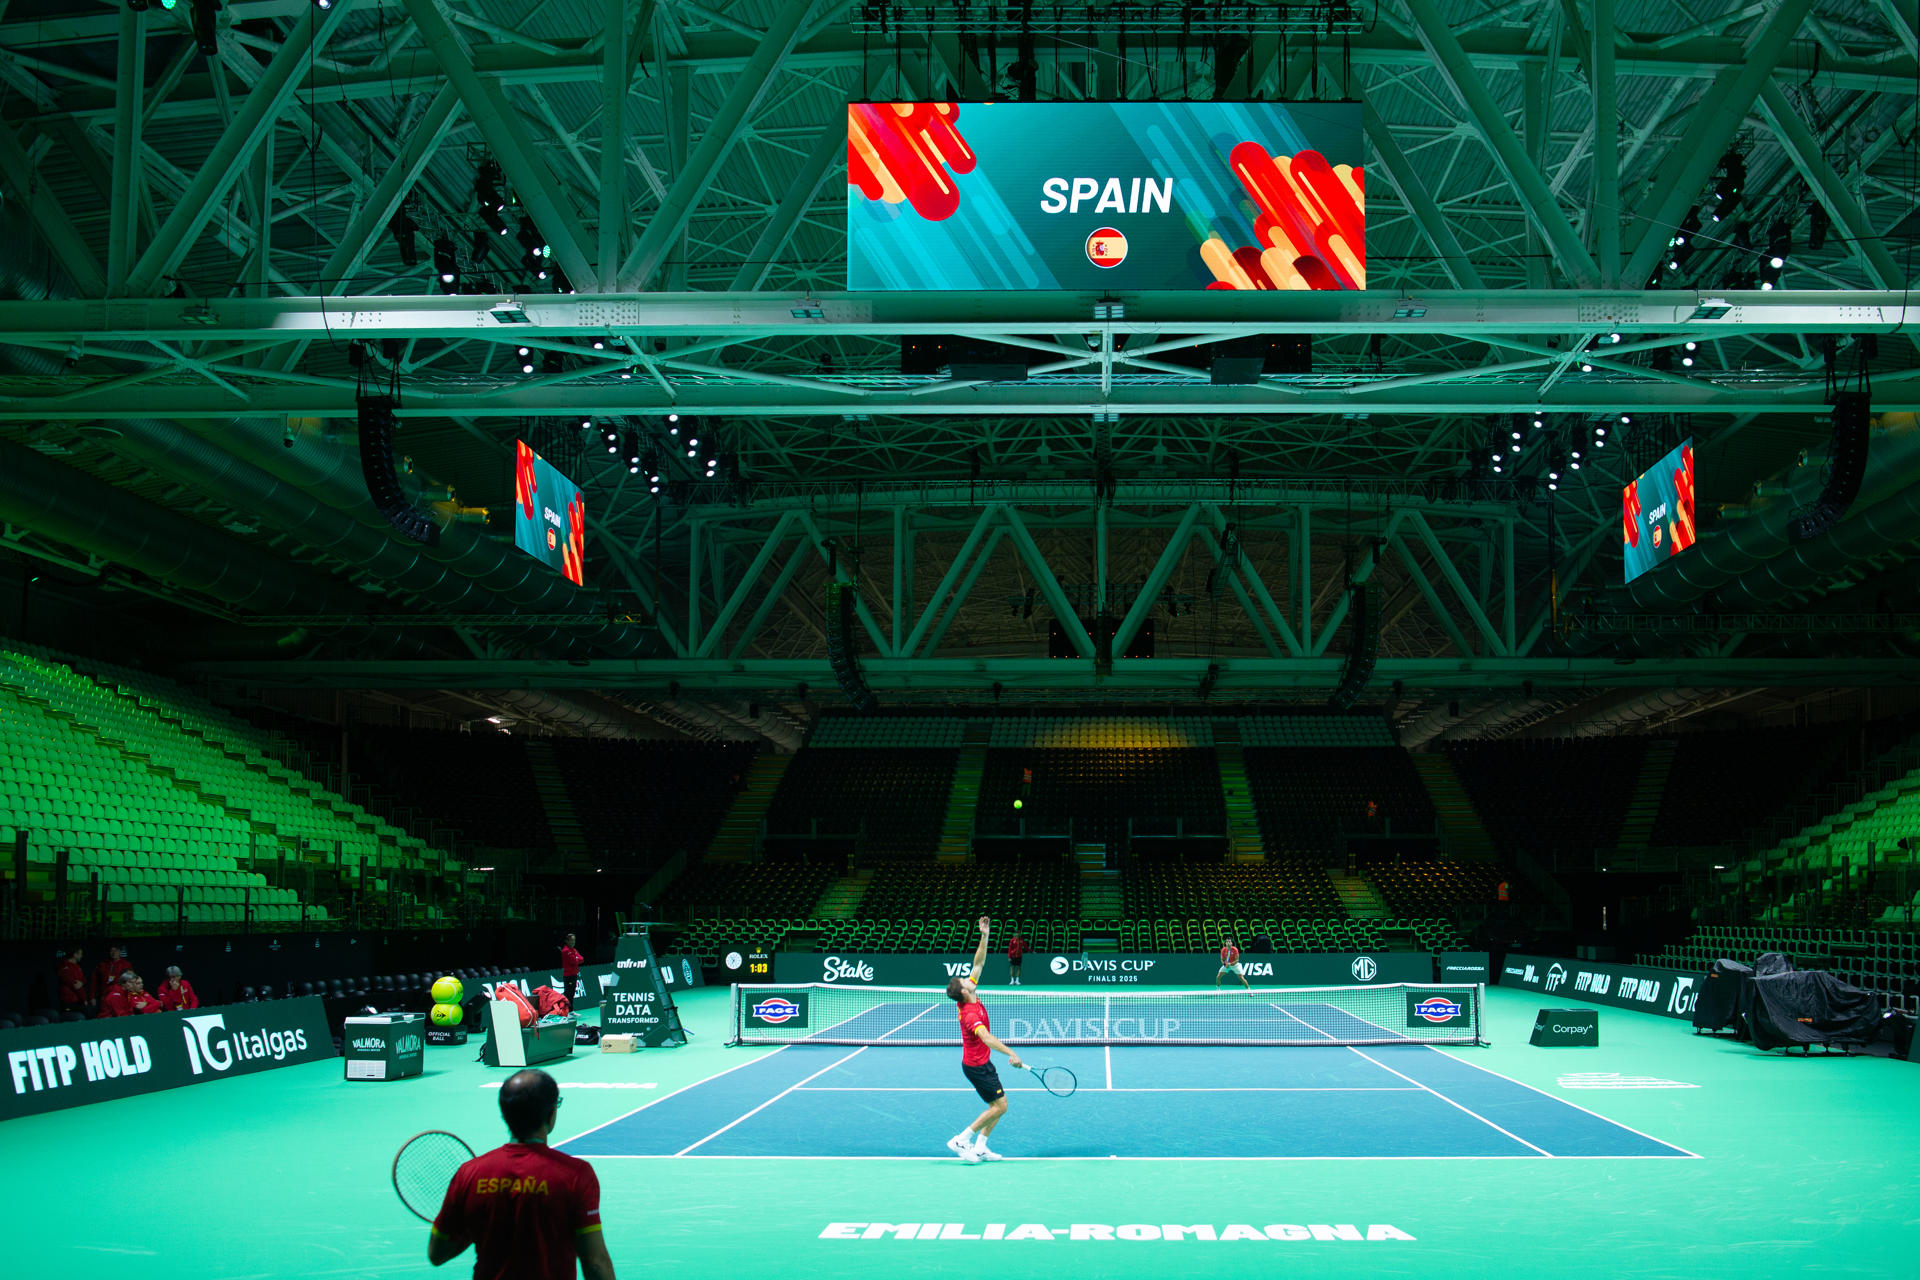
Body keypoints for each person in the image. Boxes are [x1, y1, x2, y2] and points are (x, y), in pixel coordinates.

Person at [430, 1068, 614, 1280]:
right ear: (551, 1113)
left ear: (504, 1114)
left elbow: (437, 1254)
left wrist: (475, 1225)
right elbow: (595, 1263)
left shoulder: (470, 1173)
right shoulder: (576, 1174)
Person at [943, 916, 1025, 1164]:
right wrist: (1011, 1053)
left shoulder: (970, 993)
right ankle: (961, 1139)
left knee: (1001, 1105)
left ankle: (980, 1147)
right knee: (999, 1107)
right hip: (976, 1068)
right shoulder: (968, 1014)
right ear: (965, 991)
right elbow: (987, 1038)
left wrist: (985, 934)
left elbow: (978, 962)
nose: (968, 977)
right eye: (964, 980)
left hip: (982, 1063)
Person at [99, 971, 164, 1017]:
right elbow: (121, 1016)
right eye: (131, 983)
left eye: (134, 983)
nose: (133, 985)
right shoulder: (115, 995)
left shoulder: (126, 993)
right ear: (124, 983)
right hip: (107, 1023)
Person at [56, 947, 88, 1015]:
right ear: (75, 955)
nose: (81, 956)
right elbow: (75, 985)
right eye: (80, 954)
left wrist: (82, 983)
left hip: (78, 1002)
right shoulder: (64, 967)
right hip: (68, 1003)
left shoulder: (77, 967)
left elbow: (83, 980)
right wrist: (84, 999)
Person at [558, 933, 584, 1004]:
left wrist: (576, 958)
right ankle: (567, 1011)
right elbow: (573, 961)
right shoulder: (565, 951)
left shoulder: (574, 950)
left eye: (574, 940)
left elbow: (582, 959)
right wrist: (576, 958)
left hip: (574, 974)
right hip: (568, 975)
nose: (573, 942)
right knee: (568, 993)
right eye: (571, 940)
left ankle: (571, 1010)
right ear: (567, 941)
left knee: (572, 993)